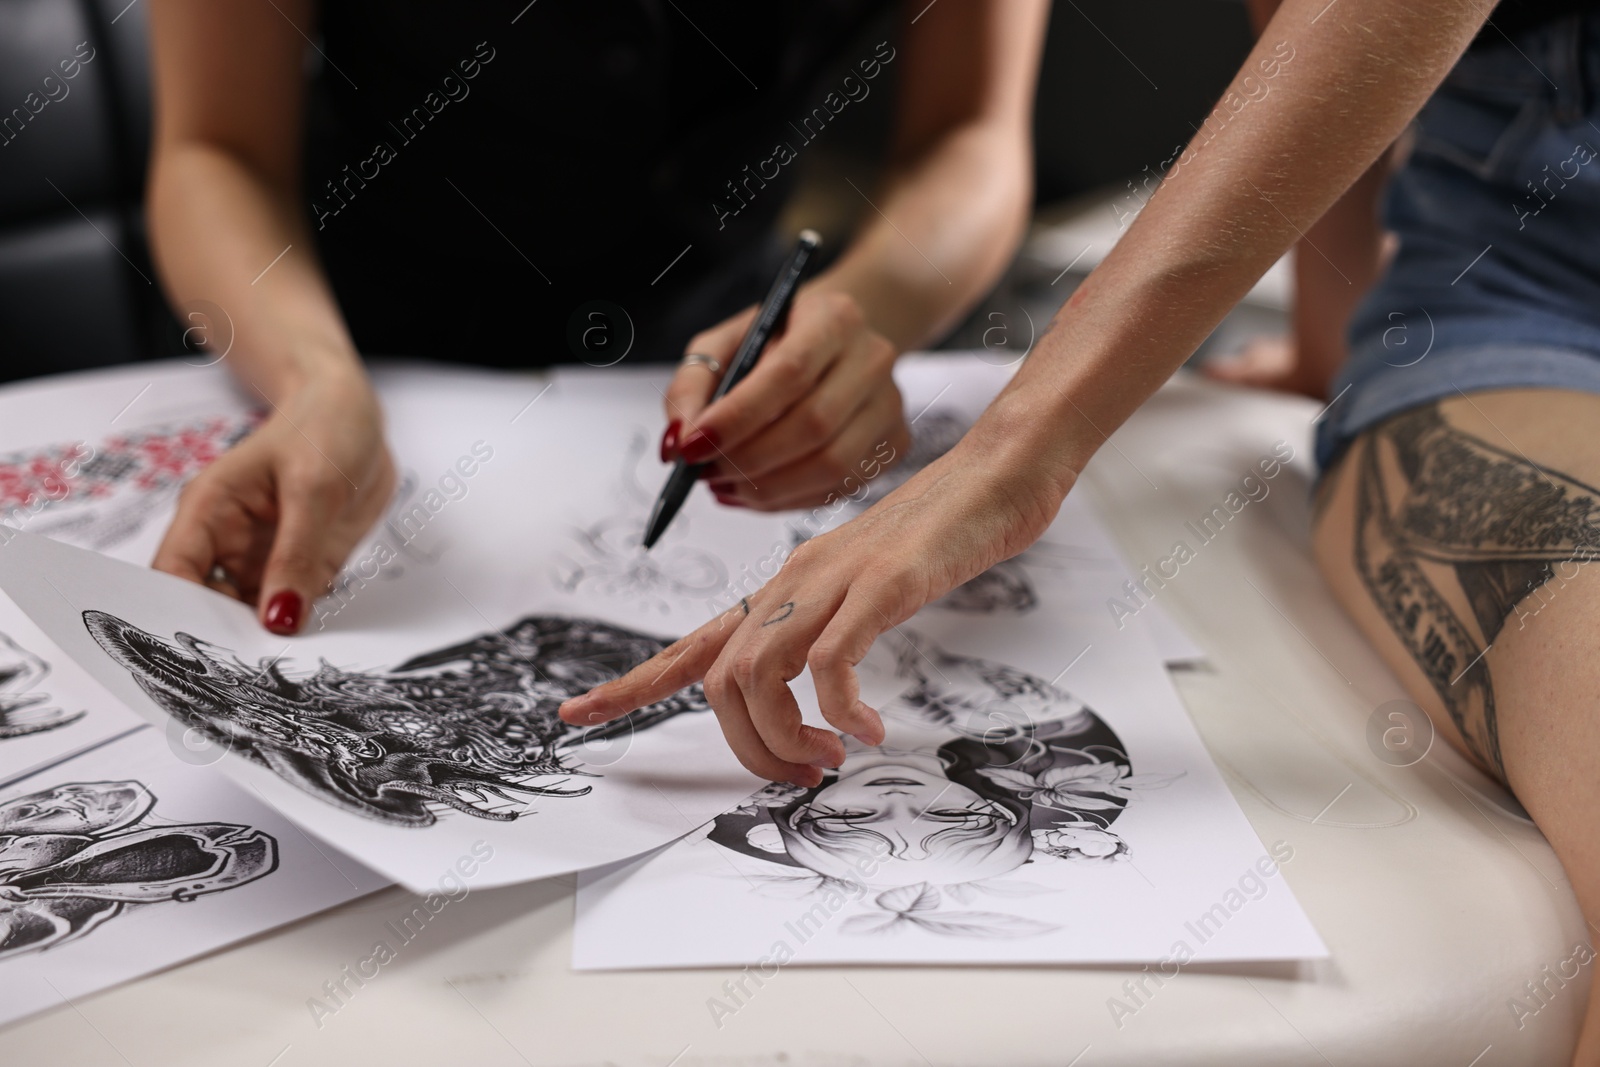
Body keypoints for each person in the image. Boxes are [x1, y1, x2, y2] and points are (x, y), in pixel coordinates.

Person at [562, 1, 1600, 1060]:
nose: (900, 817)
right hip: (1540, 293)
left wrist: (1014, 452)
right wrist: (1329, 334)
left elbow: (970, 139)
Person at [142, 0, 1049, 634]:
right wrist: (312, 381)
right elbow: (214, 148)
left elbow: (970, 134)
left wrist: (868, 310)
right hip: (341, 330)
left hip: (731, 349)